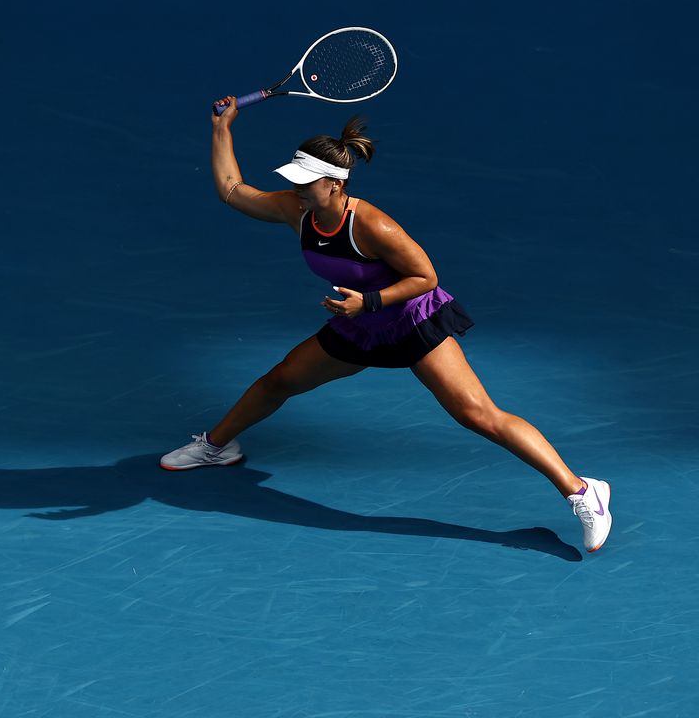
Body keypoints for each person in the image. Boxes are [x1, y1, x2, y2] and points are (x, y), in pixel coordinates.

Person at [159, 96, 612, 553]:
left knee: (478, 415)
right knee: (279, 380)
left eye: (307, 182)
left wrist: (370, 300)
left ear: (336, 185)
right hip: (359, 326)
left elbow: (426, 277)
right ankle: (218, 446)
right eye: (295, 181)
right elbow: (233, 191)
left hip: (410, 323)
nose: (297, 189)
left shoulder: (374, 225)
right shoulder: (296, 210)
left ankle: (582, 492)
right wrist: (222, 128)